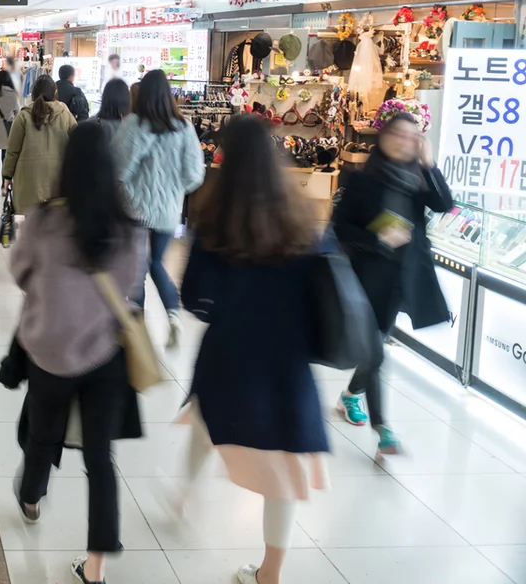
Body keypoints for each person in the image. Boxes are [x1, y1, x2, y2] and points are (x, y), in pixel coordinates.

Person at [172, 114, 329, 584]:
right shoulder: (300, 217)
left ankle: (182, 494)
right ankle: (270, 573)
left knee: (207, 419)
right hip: (285, 358)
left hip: (231, 351)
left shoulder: (215, 218)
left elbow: (194, 299)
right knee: (283, 466)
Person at [11, 122, 146, 584]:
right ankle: (95, 569)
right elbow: (131, 288)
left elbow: (19, 272)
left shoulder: (43, 219)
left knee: (42, 435)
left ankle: (31, 498)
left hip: (49, 352)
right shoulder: (128, 227)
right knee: (100, 459)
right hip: (105, 354)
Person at [331, 111, 453, 455]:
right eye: (399, 134)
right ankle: (382, 426)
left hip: (407, 275)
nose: (405, 141)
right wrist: (378, 239)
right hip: (368, 276)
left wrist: (430, 165)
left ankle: (350, 394)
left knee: (377, 343)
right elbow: (340, 227)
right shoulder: (361, 179)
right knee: (375, 349)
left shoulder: (418, 180)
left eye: (413, 136)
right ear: (383, 138)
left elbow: (445, 205)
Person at [112, 69, 204, 346]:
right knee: (157, 264)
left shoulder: (133, 124)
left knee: (136, 271)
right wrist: (174, 190)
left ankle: (137, 331)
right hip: (167, 211)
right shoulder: (184, 127)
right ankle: (173, 316)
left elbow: (118, 169)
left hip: (135, 209)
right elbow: (194, 174)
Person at [3, 75, 76, 214]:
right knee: (54, 220)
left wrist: (7, 176)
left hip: (28, 179)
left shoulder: (23, 116)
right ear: (55, 93)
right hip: (58, 179)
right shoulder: (66, 115)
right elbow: (77, 143)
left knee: (27, 220)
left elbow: (13, 150)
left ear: (34, 93)